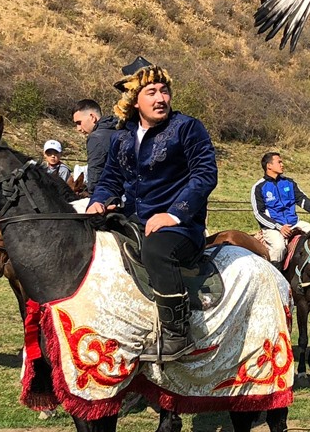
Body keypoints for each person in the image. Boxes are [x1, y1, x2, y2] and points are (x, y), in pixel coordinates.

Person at [86, 58, 217, 363]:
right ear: (134, 99)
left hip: (180, 228)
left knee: (158, 250)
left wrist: (173, 214)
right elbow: (111, 178)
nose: (161, 98)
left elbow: (204, 175)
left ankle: (177, 334)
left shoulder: (187, 128)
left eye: (164, 90)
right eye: (151, 92)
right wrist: (99, 201)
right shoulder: (121, 135)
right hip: (133, 219)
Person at [251, 151, 310, 265]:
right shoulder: (259, 187)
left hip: (295, 223)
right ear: (269, 166)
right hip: (273, 228)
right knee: (279, 248)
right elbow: (258, 214)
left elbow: (300, 198)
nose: (282, 164)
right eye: (279, 162)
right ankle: (276, 278)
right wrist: (279, 227)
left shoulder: (289, 183)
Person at [72, 99, 117, 193]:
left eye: (79, 123)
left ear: (92, 117)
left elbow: (96, 174)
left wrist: (94, 197)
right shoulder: (119, 129)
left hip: (110, 197)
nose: (78, 128)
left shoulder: (96, 138)